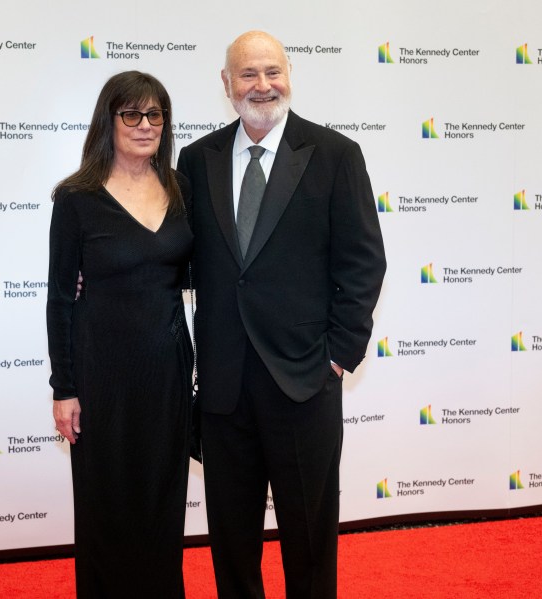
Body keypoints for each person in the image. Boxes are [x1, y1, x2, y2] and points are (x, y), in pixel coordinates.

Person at [177, 31, 387, 598]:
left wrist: (337, 357)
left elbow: (364, 262)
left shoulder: (335, 155)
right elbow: (179, 256)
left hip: (304, 382)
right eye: (248, 74)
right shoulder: (196, 160)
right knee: (231, 541)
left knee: (310, 539)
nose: (262, 85)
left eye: (272, 71)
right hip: (223, 387)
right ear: (227, 83)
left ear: (289, 75)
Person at [47, 71, 193, 598]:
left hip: (168, 372)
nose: (145, 124)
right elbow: (60, 298)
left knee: (161, 501)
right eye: (132, 113)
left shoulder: (181, 189)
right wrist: (64, 387)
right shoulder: (76, 198)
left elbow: (197, 272)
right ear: (108, 121)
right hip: (101, 375)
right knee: (105, 505)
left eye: (155, 114)